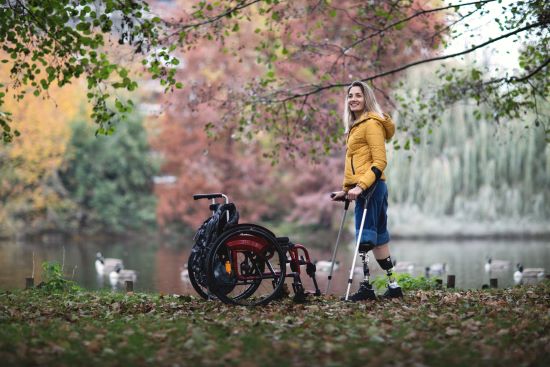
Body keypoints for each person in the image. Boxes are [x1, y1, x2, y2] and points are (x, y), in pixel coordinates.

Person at [331, 80, 402, 301]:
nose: (353, 99)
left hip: (370, 188)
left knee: (365, 236)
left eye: (358, 95)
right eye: (350, 95)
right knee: (379, 239)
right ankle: (393, 286)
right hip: (369, 187)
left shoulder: (371, 124)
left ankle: (366, 288)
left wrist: (360, 186)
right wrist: (346, 190)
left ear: (367, 98)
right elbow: (355, 162)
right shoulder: (358, 125)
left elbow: (380, 161)